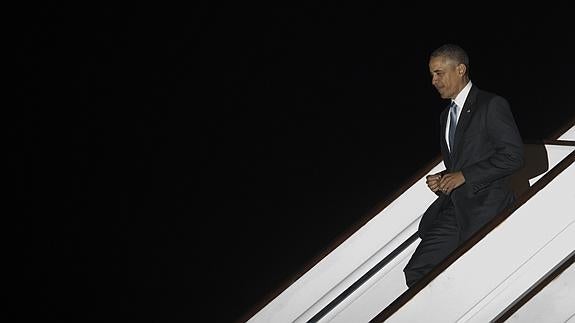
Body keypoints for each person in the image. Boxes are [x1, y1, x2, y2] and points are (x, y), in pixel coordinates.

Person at [403, 44, 524, 287]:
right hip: (454, 211)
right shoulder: (445, 116)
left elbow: (513, 156)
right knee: (416, 272)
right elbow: (465, 161)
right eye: (431, 75)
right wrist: (445, 178)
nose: (434, 81)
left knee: (474, 278)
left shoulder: (491, 105)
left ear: (460, 69)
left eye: (439, 73)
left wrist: (464, 176)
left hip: (487, 208)